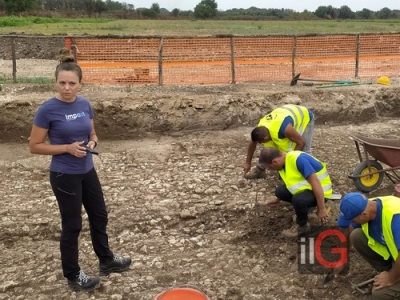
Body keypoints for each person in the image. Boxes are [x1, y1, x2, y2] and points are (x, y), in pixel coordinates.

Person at [29, 48, 131, 292]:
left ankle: (106, 260)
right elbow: (34, 146)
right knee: (72, 225)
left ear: (80, 85)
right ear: (55, 83)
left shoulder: (85, 104)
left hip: (87, 170)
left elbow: (92, 134)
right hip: (64, 174)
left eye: (72, 83)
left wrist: (93, 142)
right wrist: (66, 148)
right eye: (62, 83)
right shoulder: (47, 110)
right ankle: (73, 275)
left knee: (99, 215)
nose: (67, 88)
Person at [335, 192, 400, 300]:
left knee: (379, 294)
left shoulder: (396, 219)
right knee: (356, 236)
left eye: (353, 219)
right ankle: (392, 269)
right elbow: (350, 229)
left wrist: (390, 279)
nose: (352, 222)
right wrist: (343, 258)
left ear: (364, 214)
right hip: (396, 255)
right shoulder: (368, 205)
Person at [258, 147, 332, 238]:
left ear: (275, 162)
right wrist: (278, 198)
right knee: (280, 192)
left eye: (269, 167)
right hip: (307, 188)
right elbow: (291, 183)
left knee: (299, 200)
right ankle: (306, 208)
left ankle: (302, 226)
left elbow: (316, 183)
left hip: (322, 191)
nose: (269, 170)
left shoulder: (299, 160)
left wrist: (321, 209)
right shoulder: (283, 163)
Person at [243, 104, 315, 180]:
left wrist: (289, 164)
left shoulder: (285, 129)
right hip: (284, 114)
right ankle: (260, 170)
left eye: (260, 142)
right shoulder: (260, 129)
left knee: (306, 151)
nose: (260, 144)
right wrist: (248, 162)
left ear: (266, 137)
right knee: (269, 150)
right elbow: (253, 143)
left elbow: (301, 142)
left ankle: (311, 176)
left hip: (304, 116)